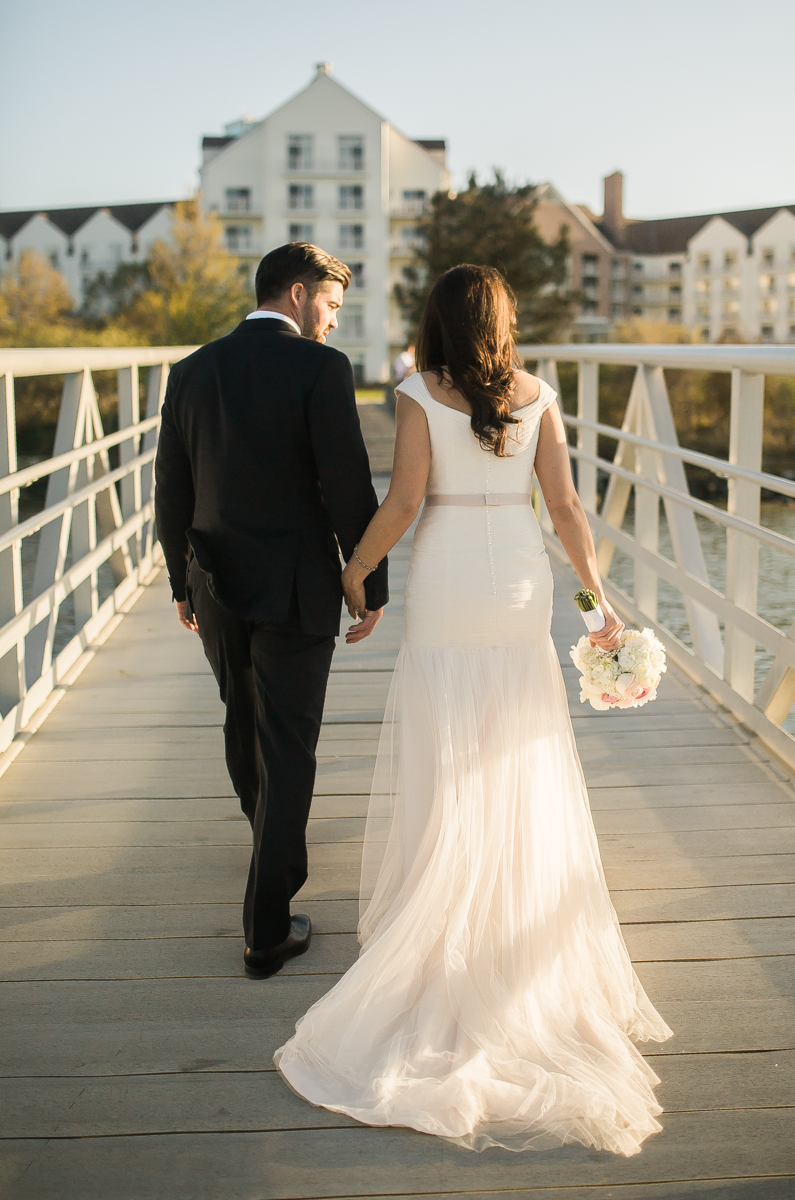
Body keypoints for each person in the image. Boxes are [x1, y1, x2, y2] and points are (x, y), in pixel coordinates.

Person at [275, 264, 672, 1156]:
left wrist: (353, 570)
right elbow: (565, 506)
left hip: (452, 583)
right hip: (522, 587)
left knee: (447, 747)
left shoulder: (419, 390)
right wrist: (599, 602)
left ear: (436, 322)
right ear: (502, 319)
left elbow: (408, 502)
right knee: (519, 744)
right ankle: (516, 909)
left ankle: (444, 899)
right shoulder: (538, 393)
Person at [154, 242, 388, 980]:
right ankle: (266, 926)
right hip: (296, 587)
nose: (332, 321)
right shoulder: (320, 369)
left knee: (242, 724)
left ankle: (269, 852)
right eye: (330, 304)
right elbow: (347, 482)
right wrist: (369, 583)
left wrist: (178, 583)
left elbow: (171, 489)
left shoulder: (190, 371)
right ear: (295, 293)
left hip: (214, 583)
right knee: (287, 745)